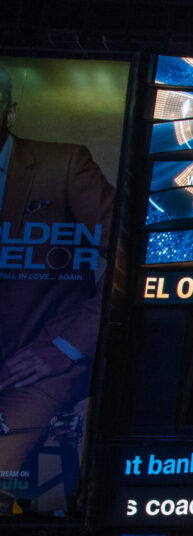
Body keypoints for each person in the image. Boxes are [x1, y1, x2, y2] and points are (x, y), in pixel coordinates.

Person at [0, 64, 115, 489]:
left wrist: (68, 345)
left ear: (10, 111)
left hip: (38, 363)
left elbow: (133, 255)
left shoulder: (63, 163)